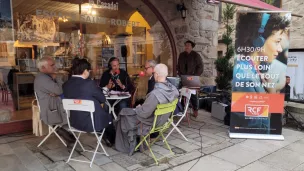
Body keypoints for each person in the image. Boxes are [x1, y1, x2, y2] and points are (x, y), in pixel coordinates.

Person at [232, 13, 290, 134]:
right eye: (277, 42)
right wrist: (272, 94)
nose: (279, 49)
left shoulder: (253, 70)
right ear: (259, 41)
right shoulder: (245, 75)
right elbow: (259, 126)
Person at [115, 64, 179, 155]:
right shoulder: (174, 90)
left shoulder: (155, 94)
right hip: (163, 121)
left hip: (150, 122)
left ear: (156, 75)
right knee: (126, 112)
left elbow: (143, 114)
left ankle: (126, 146)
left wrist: (138, 108)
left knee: (123, 114)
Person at [63, 58, 115, 146]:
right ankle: (111, 140)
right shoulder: (89, 84)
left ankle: (106, 137)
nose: (89, 72)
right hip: (91, 122)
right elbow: (102, 99)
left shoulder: (66, 84)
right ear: (85, 71)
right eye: (89, 70)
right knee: (108, 115)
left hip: (74, 122)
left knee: (101, 110)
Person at [34, 57, 75, 143]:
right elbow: (59, 90)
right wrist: (58, 79)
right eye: (52, 65)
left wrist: (58, 92)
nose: (54, 67)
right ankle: (65, 129)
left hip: (54, 105)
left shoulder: (46, 77)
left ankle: (65, 130)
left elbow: (59, 90)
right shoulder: (42, 78)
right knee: (77, 107)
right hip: (51, 110)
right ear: (43, 68)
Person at [177, 40, 204, 117]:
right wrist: (179, 73)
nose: (187, 46)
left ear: (192, 47)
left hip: (192, 77)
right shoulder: (181, 55)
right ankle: (181, 109)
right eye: (186, 45)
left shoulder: (196, 55)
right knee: (182, 93)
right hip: (183, 77)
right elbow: (178, 65)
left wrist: (195, 76)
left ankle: (195, 110)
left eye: (188, 45)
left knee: (193, 95)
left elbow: (200, 67)